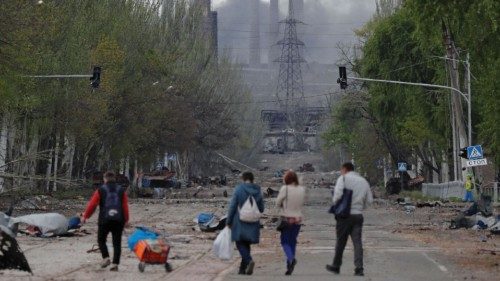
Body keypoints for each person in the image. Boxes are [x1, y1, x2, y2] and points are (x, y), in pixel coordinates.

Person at [326, 162, 373, 277]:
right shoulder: (363, 181)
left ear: (345, 169)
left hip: (344, 216)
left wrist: (338, 206)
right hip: (358, 216)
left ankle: (336, 266)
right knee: (357, 242)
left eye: (341, 170)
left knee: (341, 241)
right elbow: (369, 201)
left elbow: (337, 196)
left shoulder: (343, 179)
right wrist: (360, 208)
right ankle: (359, 268)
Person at [82, 171, 130, 271]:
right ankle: (115, 264)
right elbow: (124, 206)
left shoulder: (101, 190)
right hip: (118, 220)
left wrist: (85, 216)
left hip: (104, 219)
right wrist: (126, 220)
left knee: (101, 240)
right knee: (117, 242)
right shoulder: (121, 190)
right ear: (114, 179)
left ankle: (106, 257)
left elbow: (92, 205)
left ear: (105, 179)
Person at [226, 172, 264, 275]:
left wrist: (228, 221)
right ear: (252, 179)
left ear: (243, 179)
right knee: (246, 244)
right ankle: (242, 270)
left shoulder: (239, 189)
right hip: (253, 222)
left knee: (240, 243)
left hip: (240, 221)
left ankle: (249, 260)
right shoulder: (257, 190)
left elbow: (233, 206)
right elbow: (261, 208)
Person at [276, 170, 306, 275]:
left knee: (284, 241)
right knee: (292, 241)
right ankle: (289, 264)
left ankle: (291, 259)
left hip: (287, 218)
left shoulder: (285, 188)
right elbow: (302, 203)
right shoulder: (301, 189)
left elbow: (278, 201)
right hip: (298, 219)